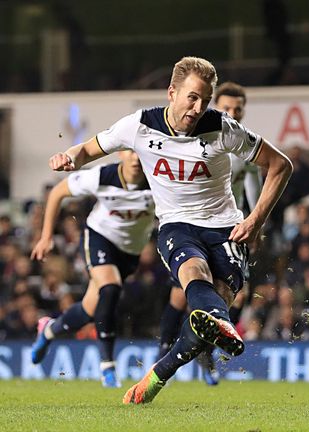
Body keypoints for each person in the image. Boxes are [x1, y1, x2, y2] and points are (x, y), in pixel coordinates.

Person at [47, 56, 293, 404]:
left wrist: (255, 221)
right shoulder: (139, 125)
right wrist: (69, 157)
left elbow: (280, 164)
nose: (198, 107)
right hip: (177, 225)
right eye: (192, 97)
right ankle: (214, 326)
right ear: (171, 92)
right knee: (194, 274)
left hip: (225, 227)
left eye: (205, 100)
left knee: (209, 310)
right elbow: (89, 148)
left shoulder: (222, 128)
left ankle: (161, 370)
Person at [156, 81, 263, 386]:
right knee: (182, 296)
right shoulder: (194, 140)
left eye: (237, 110)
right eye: (226, 108)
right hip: (190, 228)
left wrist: (256, 227)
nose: (232, 113)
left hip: (229, 232)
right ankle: (162, 354)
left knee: (234, 302)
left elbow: (254, 199)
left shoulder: (245, 150)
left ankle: (204, 353)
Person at [29, 150, 154, 388]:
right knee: (110, 288)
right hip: (99, 237)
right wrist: (46, 236)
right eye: (130, 151)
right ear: (120, 153)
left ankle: (49, 330)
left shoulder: (158, 181)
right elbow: (57, 192)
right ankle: (107, 366)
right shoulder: (102, 176)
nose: (136, 158)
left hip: (130, 252)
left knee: (90, 310)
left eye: (140, 152)